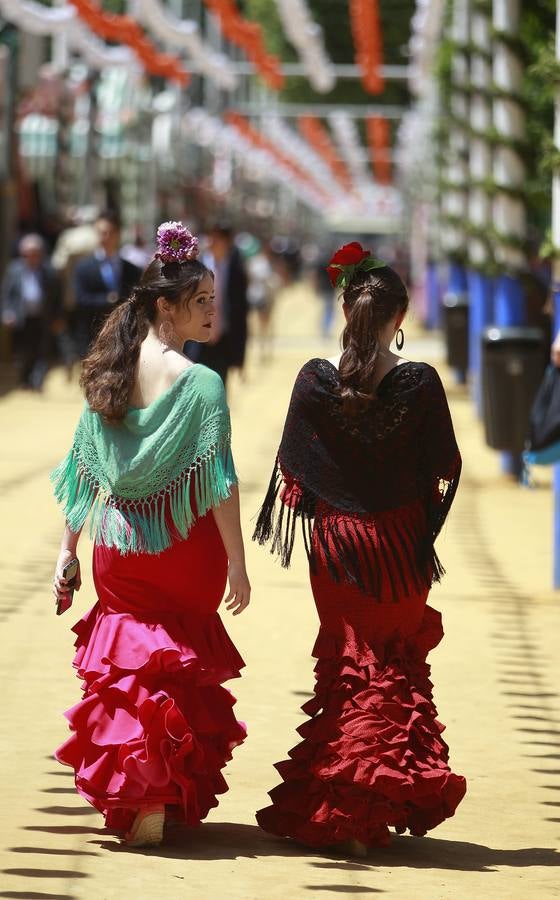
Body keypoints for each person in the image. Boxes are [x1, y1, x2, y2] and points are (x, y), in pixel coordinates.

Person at [253, 241, 466, 855]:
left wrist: (336, 493)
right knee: (392, 666)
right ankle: (367, 808)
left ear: (345, 309)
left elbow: (293, 470)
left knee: (349, 672)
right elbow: (444, 466)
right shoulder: (419, 384)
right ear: (399, 319)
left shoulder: (315, 380)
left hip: (338, 551)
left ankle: (347, 807)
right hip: (399, 549)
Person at [51, 221, 250, 849]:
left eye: (214, 301)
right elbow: (219, 480)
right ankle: (163, 792)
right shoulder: (203, 384)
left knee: (128, 673)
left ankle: (144, 794)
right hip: (185, 551)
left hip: (119, 547)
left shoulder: (109, 370)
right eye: (201, 302)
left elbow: (82, 468)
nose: (212, 312)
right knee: (176, 670)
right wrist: (239, 565)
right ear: (168, 306)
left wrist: (67, 550)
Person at [73, 209, 142, 357]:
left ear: (118, 234)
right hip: (93, 340)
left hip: (124, 340)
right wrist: (106, 299)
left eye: (108, 232)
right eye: (100, 232)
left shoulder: (133, 270)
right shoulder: (83, 268)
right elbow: (80, 300)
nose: (104, 237)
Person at [187, 223, 248, 387]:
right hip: (196, 341)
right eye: (209, 237)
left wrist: (240, 356)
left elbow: (241, 313)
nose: (211, 242)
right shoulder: (194, 267)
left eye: (216, 238)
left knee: (218, 390)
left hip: (223, 342)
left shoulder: (237, 271)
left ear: (227, 242)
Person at [1, 233, 62, 389]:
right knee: (24, 352)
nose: (32, 257)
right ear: (23, 254)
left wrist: (57, 317)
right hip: (22, 318)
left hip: (43, 318)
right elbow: (6, 294)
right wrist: (7, 312)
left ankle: (37, 382)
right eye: (28, 254)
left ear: (41, 254)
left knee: (42, 351)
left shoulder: (49, 271)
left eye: (36, 253)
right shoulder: (14, 270)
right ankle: (24, 380)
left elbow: (56, 296)